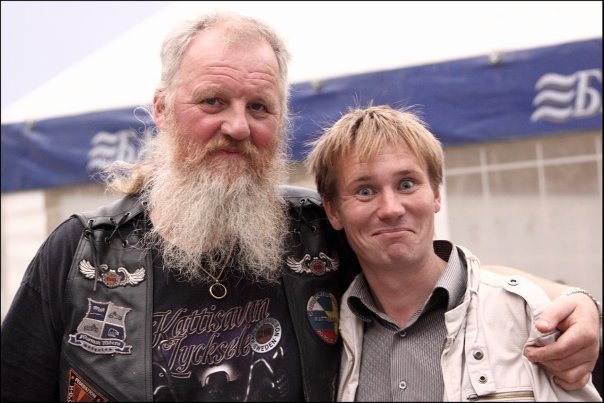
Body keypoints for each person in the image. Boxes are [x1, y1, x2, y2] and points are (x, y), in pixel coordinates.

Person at [0, 11, 600, 402]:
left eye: (259, 107)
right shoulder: (81, 255)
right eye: (213, 101)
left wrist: (576, 302)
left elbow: (438, 271)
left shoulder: (318, 231)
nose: (237, 126)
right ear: (161, 109)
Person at [306, 104, 602, 401]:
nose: (391, 209)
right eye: (365, 191)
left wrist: (583, 302)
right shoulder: (322, 339)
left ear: (436, 193)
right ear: (333, 211)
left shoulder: (528, 318)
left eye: (406, 184)